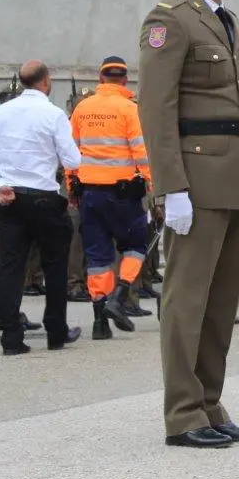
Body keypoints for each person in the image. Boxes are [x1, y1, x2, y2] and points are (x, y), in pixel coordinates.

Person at [137, 0, 239, 449]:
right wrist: (172, 187)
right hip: (197, 178)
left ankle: (210, 403)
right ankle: (183, 413)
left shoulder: (226, 22)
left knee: (220, 301)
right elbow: (156, 106)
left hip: (236, 177)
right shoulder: (170, 19)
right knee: (186, 300)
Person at [0, 61, 83, 355]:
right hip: (45, 197)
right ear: (46, 82)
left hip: (10, 198)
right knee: (55, 265)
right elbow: (72, 160)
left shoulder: (1, 114)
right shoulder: (53, 114)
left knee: (10, 268)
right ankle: (56, 331)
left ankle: (10, 336)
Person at [68, 56, 153, 340]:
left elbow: (71, 151)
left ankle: (99, 322)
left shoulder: (82, 108)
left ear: (100, 79)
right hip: (123, 194)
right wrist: (150, 183)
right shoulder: (130, 109)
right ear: (125, 81)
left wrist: (72, 186)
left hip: (90, 193)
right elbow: (141, 151)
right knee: (135, 245)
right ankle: (121, 293)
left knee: (97, 257)